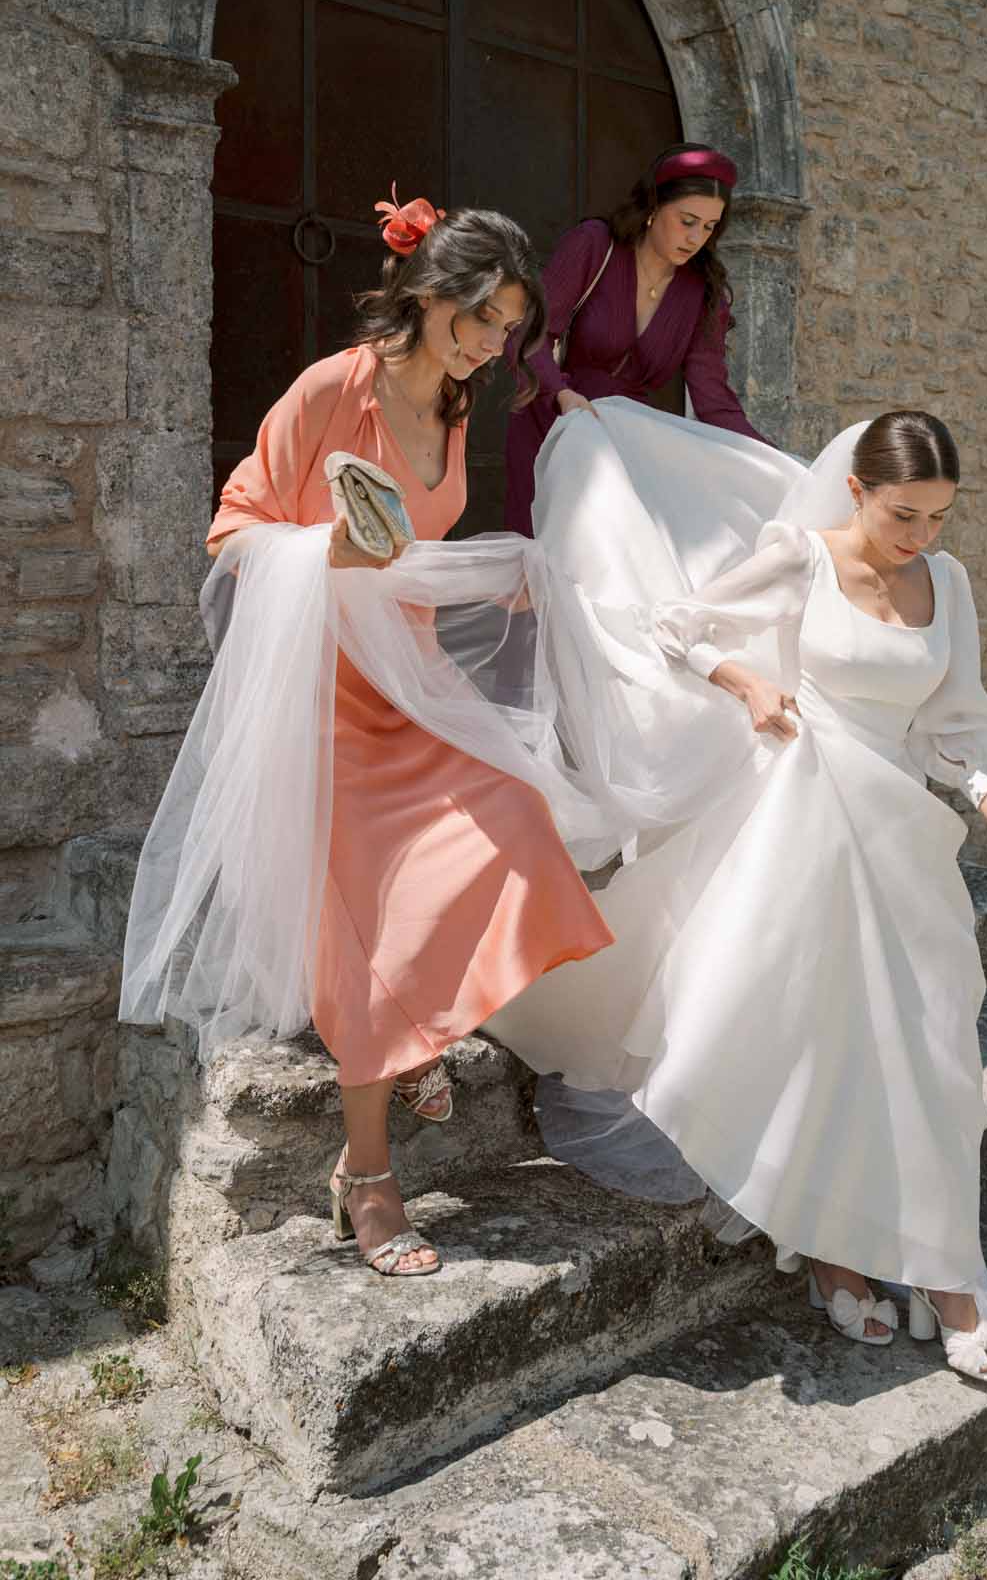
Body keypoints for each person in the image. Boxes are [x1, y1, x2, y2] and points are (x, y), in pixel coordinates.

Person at [489, 405, 987, 1375]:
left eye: (937, 517)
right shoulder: (799, 557)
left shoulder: (948, 584)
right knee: (817, 1040)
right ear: (856, 490)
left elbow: (954, 732)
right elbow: (678, 626)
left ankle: (946, 1270)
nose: (920, 537)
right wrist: (748, 685)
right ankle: (834, 1251)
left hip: (902, 837)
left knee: (933, 1048)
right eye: (902, 515)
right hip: (805, 815)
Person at [120, 193, 614, 1279]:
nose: (494, 344)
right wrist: (323, 555)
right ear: (429, 296)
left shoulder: (453, 402)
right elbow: (234, 530)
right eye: (481, 318)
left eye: (507, 328)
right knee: (371, 905)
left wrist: (496, 581)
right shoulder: (326, 391)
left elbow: (412, 549)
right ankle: (368, 1170)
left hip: (411, 681)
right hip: (320, 696)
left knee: (516, 819)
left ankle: (422, 1033)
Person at [503, 142, 769, 533]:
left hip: (625, 448)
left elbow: (713, 399)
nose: (697, 237)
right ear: (654, 206)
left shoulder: (703, 291)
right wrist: (562, 394)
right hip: (551, 427)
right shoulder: (595, 245)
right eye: (687, 220)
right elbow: (529, 335)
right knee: (539, 567)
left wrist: (768, 458)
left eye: (710, 227)